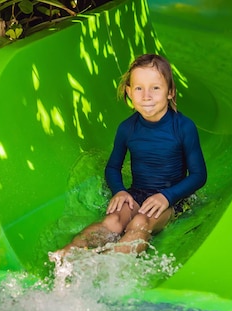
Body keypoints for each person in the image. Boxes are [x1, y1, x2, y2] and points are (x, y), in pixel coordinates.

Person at [50, 53, 207, 260]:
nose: (146, 96)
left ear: (170, 92)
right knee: (113, 221)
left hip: (172, 200)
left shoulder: (184, 127)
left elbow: (198, 175)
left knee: (140, 222)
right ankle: (69, 254)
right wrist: (121, 192)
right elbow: (113, 168)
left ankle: (109, 264)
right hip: (138, 193)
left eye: (156, 88)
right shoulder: (127, 129)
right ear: (129, 92)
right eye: (139, 88)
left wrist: (166, 196)